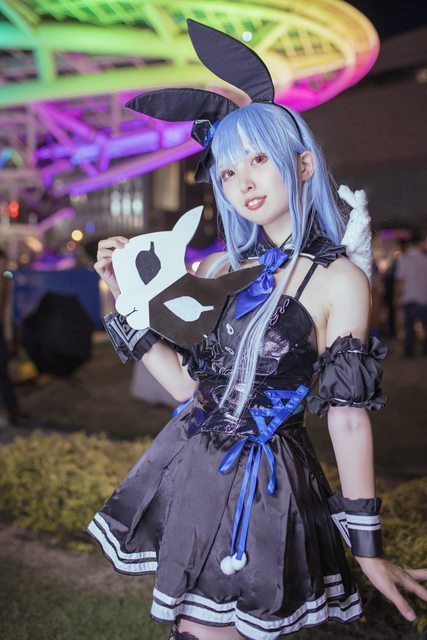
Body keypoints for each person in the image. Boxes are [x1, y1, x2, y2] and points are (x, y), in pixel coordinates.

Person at [88, 20, 427, 640]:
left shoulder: (339, 280)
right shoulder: (219, 269)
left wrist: (368, 547)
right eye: (225, 171)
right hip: (193, 469)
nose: (241, 180)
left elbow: (349, 419)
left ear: (303, 164)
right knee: (191, 628)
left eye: (258, 159)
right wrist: (124, 296)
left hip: (267, 487)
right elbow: (189, 392)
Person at [395, 234, 427, 356]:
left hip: (409, 297)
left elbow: (400, 281)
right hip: (424, 297)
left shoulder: (404, 259)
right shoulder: (425, 259)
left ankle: (409, 350)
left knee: (409, 327)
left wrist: (398, 298)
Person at [0, 249, 21, 425]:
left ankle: (12, 409)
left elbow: (7, 312)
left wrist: (8, 337)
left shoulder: (6, 281)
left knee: (3, 369)